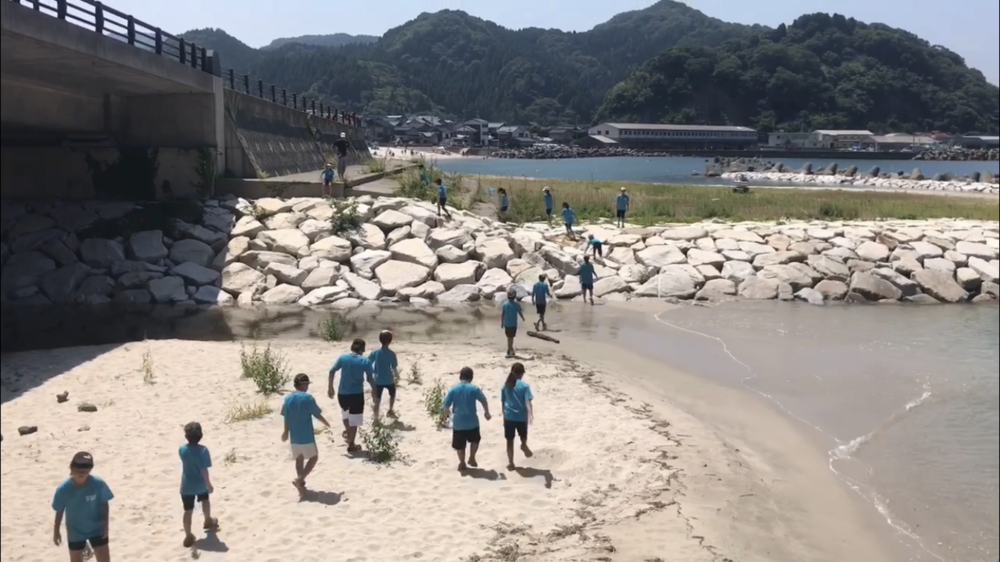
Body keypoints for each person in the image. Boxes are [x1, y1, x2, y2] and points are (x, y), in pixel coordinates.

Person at [51, 452, 114, 562]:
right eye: (78, 468)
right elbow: (59, 511)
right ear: (71, 467)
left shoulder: (98, 484)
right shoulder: (63, 490)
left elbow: (105, 503)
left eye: (86, 468)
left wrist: (105, 525)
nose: (82, 471)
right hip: (75, 531)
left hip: (97, 529)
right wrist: (56, 531)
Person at [281, 374, 331, 499]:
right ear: (302, 385)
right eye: (307, 384)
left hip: (294, 436)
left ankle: (301, 488)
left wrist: (286, 432)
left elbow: (286, 416)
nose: (307, 386)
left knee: (299, 459)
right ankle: (300, 479)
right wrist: (326, 423)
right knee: (314, 458)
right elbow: (316, 414)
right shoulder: (308, 398)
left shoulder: (288, 399)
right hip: (306, 435)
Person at [440, 367, 492, 471]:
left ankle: (462, 462)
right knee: (475, 440)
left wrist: (446, 415)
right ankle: (472, 457)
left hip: (459, 422)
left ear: (460, 377)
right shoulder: (474, 389)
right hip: (472, 421)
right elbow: (483, 400)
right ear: (471, 377)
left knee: (460, 446)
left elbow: (446, 405)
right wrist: (486, 412)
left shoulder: (453, 390)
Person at [328, 339, 374, 452]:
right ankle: (351, 444)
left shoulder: (343, 358)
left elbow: (332, 371)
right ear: (363, 349)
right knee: (354, 420)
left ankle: (348, 433)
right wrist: (374, 390)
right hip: (356, 394)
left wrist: (330, 387)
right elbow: (369, 378)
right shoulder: (365, 361)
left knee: (345, 414)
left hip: (342, 393)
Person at [178, 422, 217, 548]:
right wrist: (209, 484)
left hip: (187, 484)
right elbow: (204, 470)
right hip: (200, 484)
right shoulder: (203, 450)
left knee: (187, 510)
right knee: (205, 500)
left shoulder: (182, 449)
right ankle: (207, 520)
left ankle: (188, 535)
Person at [500, 363, 534, 470]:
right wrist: (531, 413)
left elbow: (503, 402)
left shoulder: (505, 386)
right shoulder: (525, 386)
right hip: (521, 417)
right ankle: (523, 444)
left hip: (509, 416)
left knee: (509, 440)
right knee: (523, 434)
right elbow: (528, 401)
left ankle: (511, 463)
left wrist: (504, 414)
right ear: (522, 373)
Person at [368, 330, 399, 419]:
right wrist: (397, 376)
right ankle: (390, 410)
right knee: (392, 394)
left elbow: (368, 362)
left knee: (377, 400)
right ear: (390, 341)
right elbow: (394, 368)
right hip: (389, 379)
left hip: (377, 380)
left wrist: (372, 372)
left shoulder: (375, 352)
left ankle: (376, 417)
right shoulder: (391, 354)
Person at [501, 289, 525, 358]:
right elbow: (520, 312)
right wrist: (523, 318)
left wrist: (502, 323)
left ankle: (510, 350)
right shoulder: (516, 305)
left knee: (509, 338)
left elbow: (503, 314)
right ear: (515, 297)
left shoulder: (505, 305)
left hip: (506, 324)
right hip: (513, 324)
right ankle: (509, 351)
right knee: (511, 338)